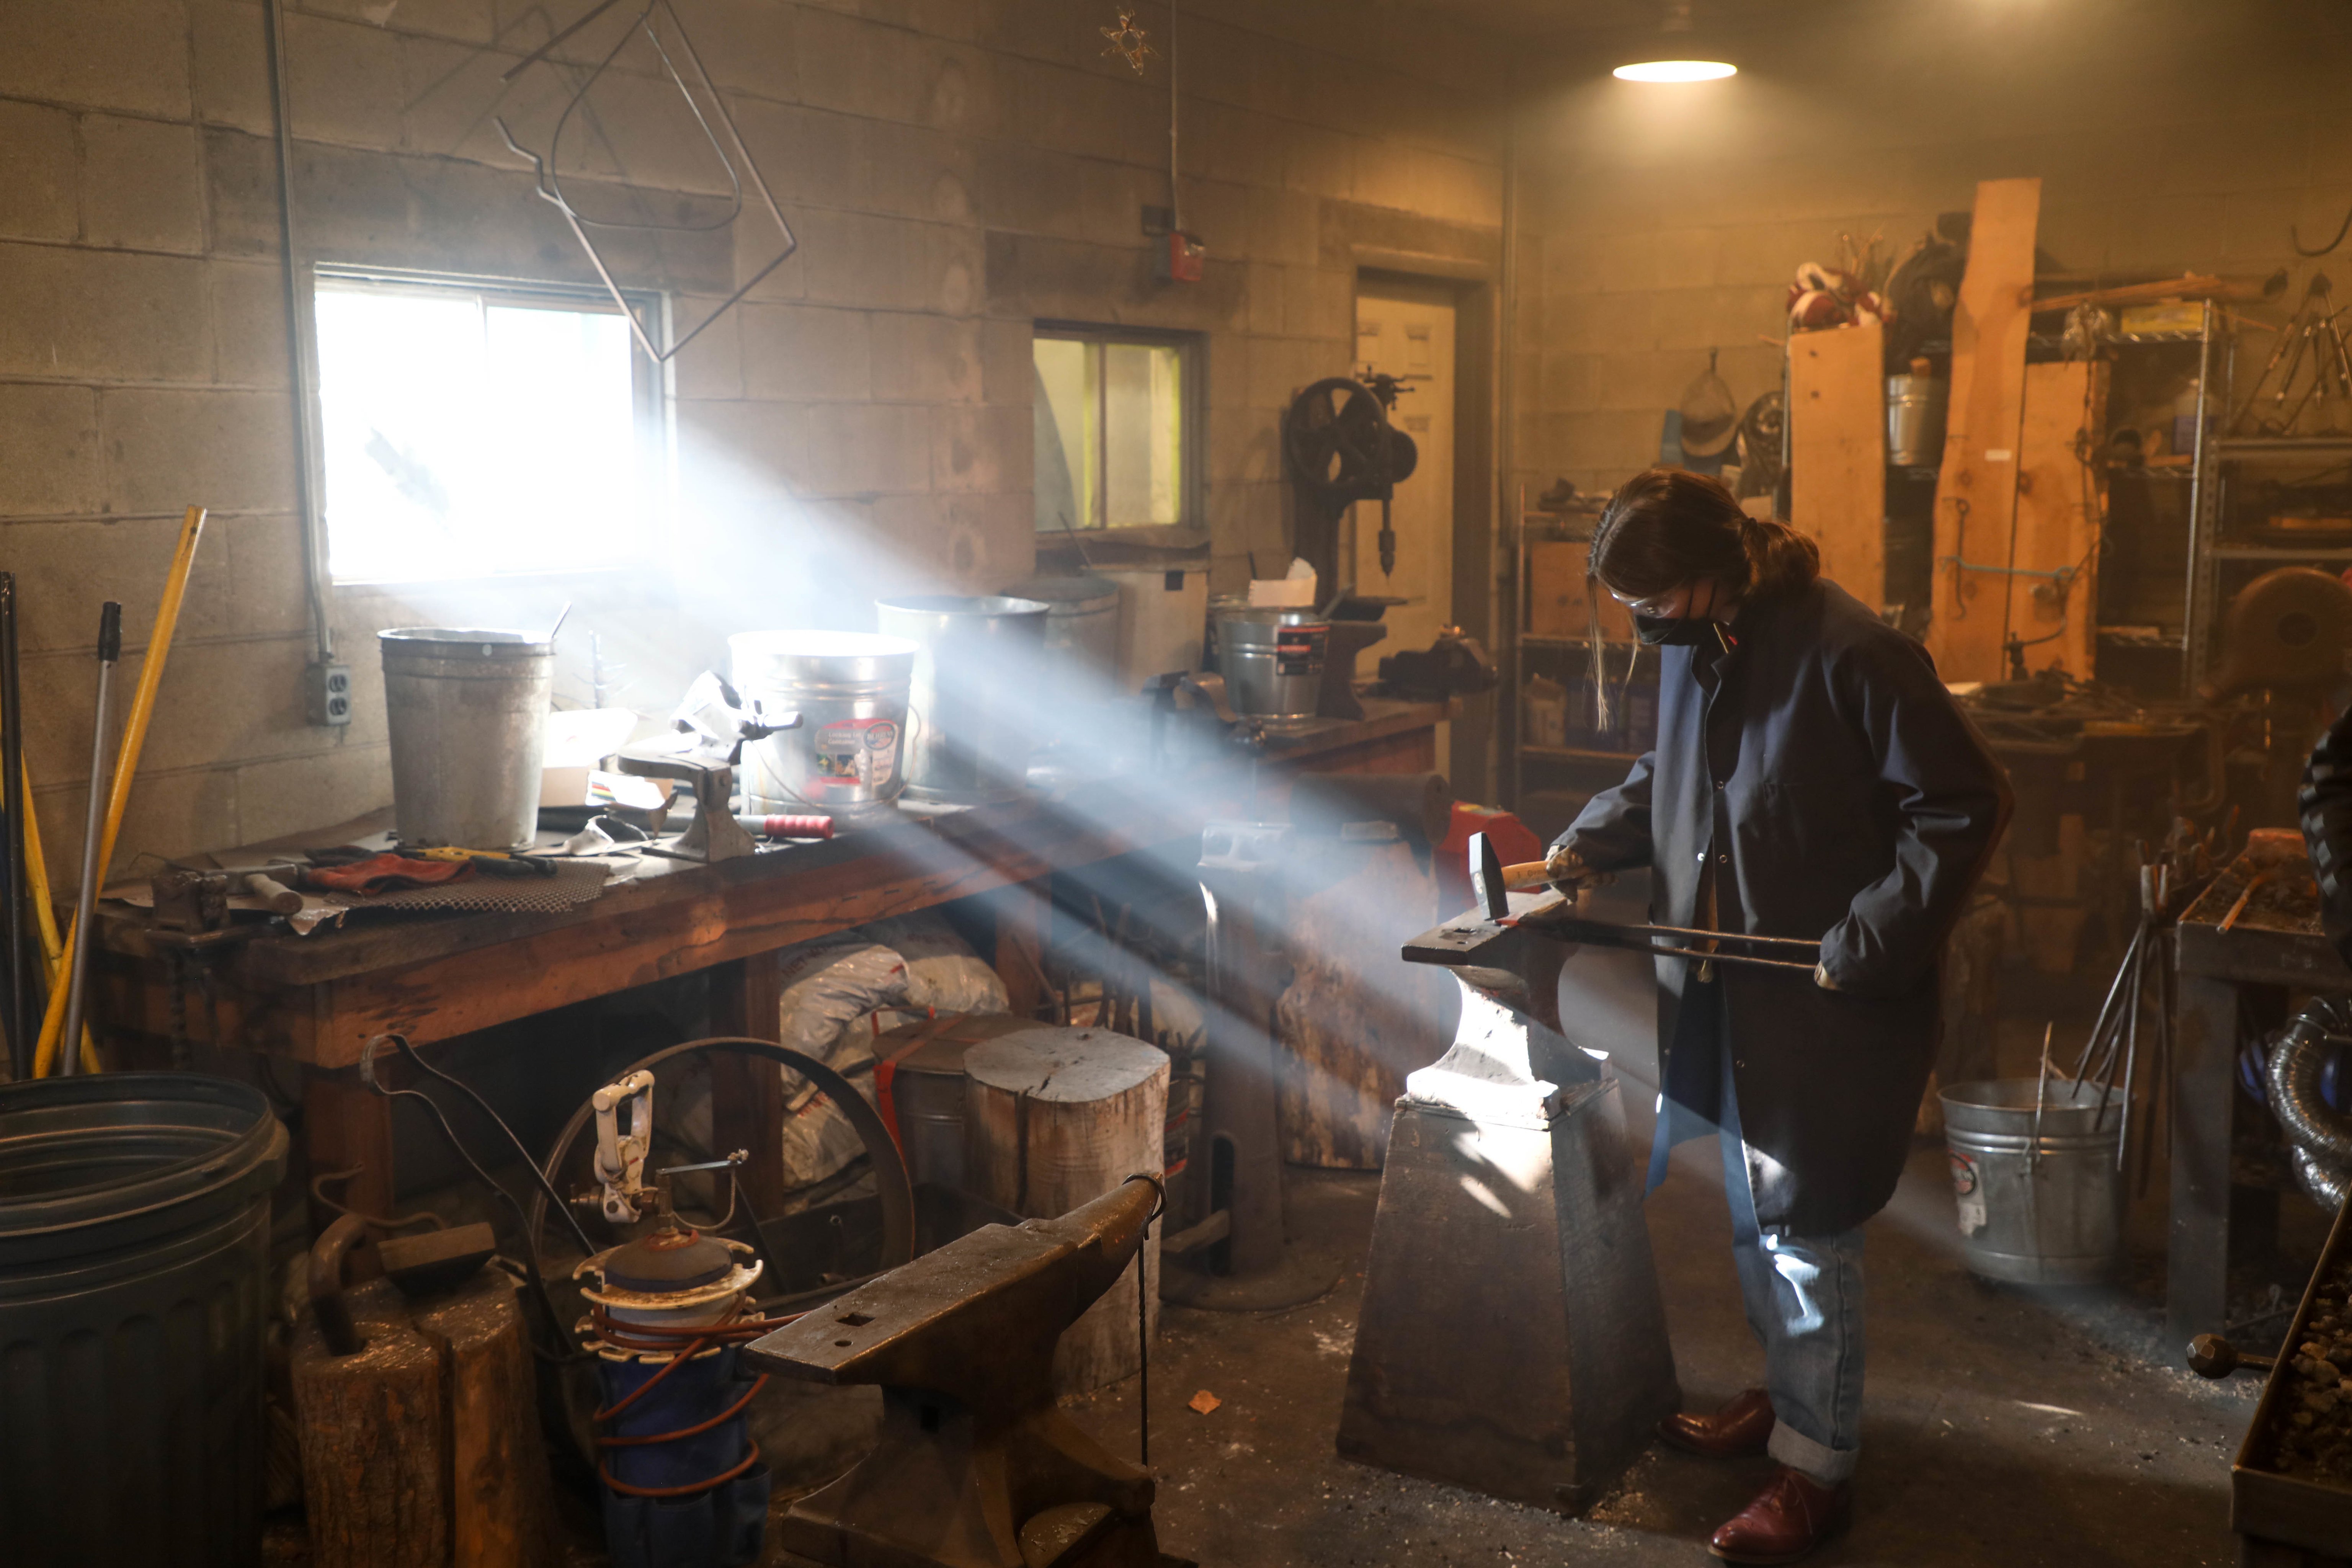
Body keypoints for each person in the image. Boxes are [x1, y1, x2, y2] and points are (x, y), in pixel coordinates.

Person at [1547, 468, 2011, 1564]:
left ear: (1709, 574)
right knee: (1756, 1209)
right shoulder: (1708, 645)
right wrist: (1590, 839)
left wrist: (1876, 935)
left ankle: (1815, 1470)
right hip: (1727, 985)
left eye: (1651, 602)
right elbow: (1674, 775)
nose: (1641, 624)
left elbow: (1962, 802)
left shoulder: (1851, 652)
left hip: (1831, 996)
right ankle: (1782, 1396)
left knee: (1807, 1231)